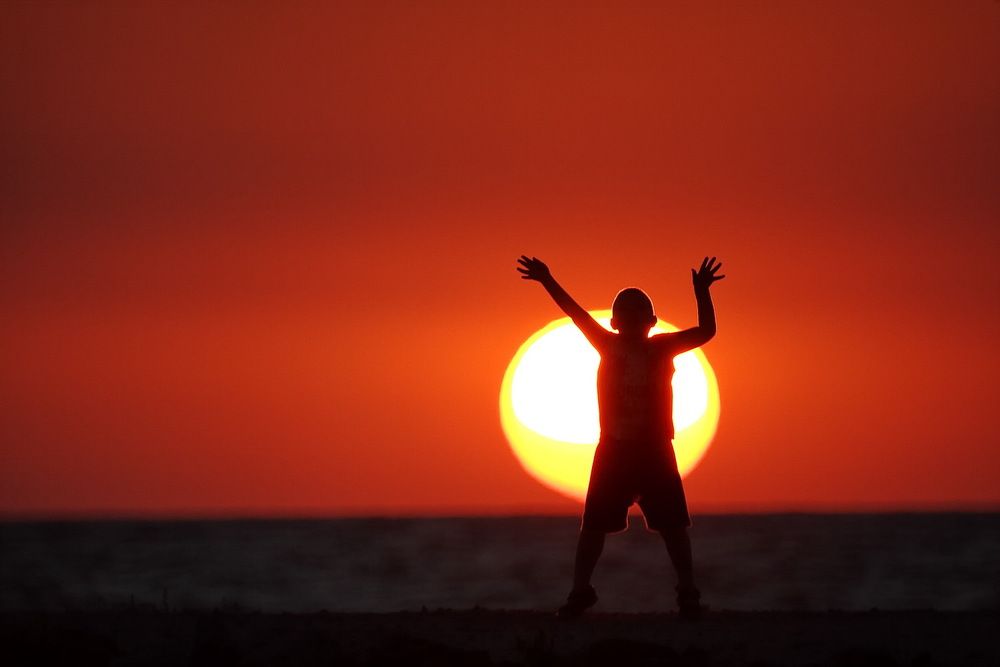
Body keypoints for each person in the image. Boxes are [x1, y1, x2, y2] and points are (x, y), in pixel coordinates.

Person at [516, 255, 725, 620]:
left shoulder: (662, 347)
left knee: (673, 527)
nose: (630, 318)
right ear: (614, 322)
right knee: (594, 527)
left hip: (655, 451)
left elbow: (706, 331)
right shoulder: (606, 343)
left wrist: (703, 292)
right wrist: (547, 279)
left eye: (637, 312)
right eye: (624, 313)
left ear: (651, 322)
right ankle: (581, 592)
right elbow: (575, 313)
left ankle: (687, 593)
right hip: (614, 451)